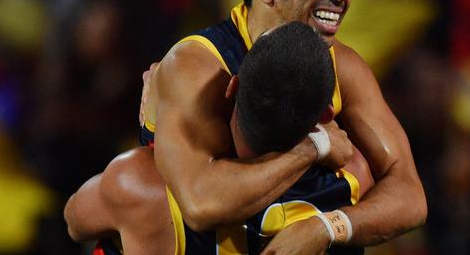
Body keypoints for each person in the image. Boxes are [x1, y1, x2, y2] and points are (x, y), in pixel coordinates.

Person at [67, 0, 426, 254]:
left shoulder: (343, 66)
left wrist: (329, 227)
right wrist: (313, 148)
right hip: (187, 237)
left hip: (268, 228)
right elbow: (201, 204)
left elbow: (409, 195)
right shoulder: (199, 66)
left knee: (359, 176)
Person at [66, 22, 367, 254]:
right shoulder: (351, 182)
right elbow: (404, 205)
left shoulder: (139, 184)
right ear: (327, 114)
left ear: (232, 87)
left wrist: (156, 133)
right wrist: (315, 149)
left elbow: (75, 220)